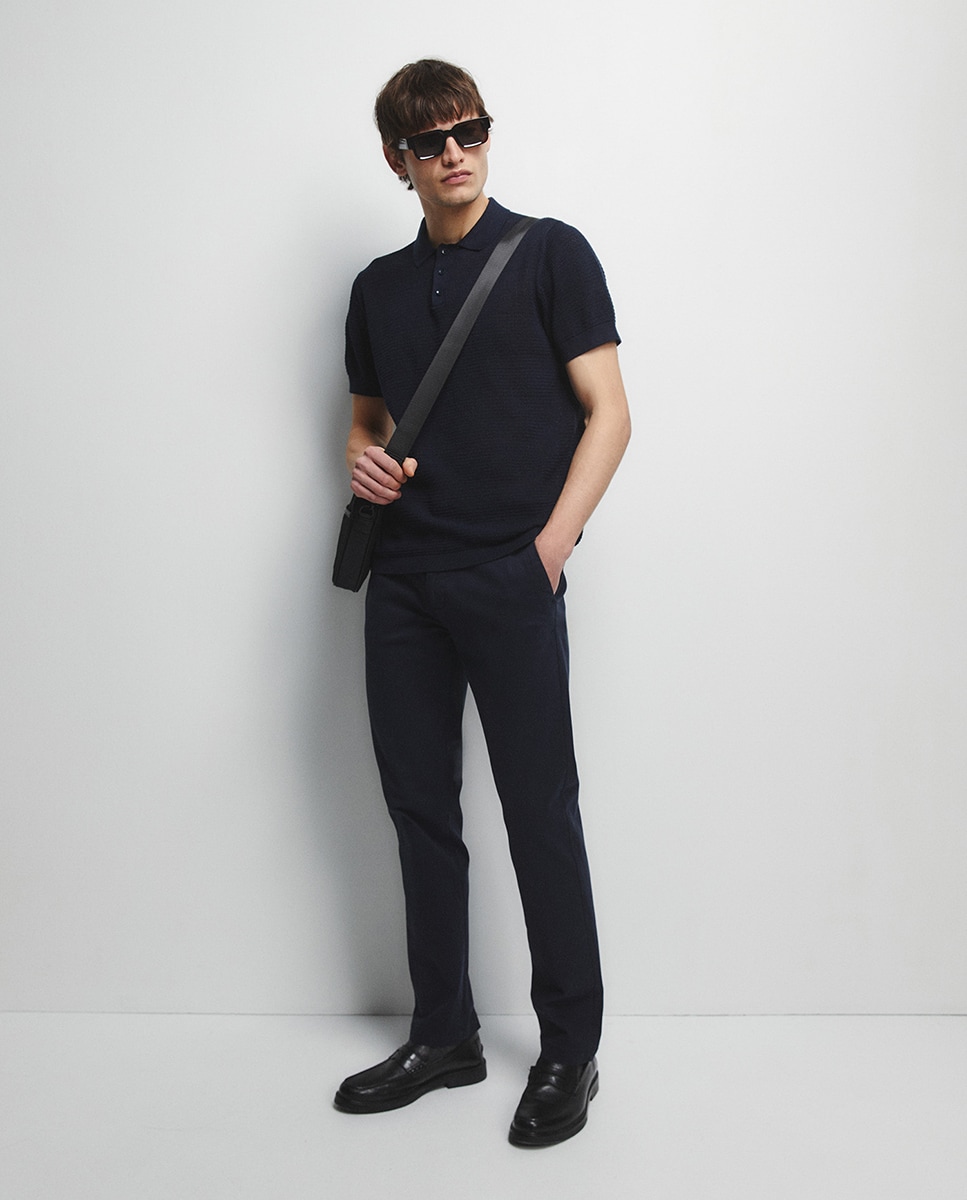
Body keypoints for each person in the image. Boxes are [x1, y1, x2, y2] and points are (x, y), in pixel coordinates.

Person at [333, 59, 631, 1148]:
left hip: (510, 573)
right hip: (404, 584)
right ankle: (445, 1035)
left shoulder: (550, 252)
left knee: (539, 808)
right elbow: (366, 419)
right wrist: (363, 460)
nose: (455, 153)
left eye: (469, 132)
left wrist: (547, 551)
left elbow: (609, 413)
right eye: (430, 142)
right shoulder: (375, 287)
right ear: (397, 161)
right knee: (420, 811)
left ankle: (569, 1049)